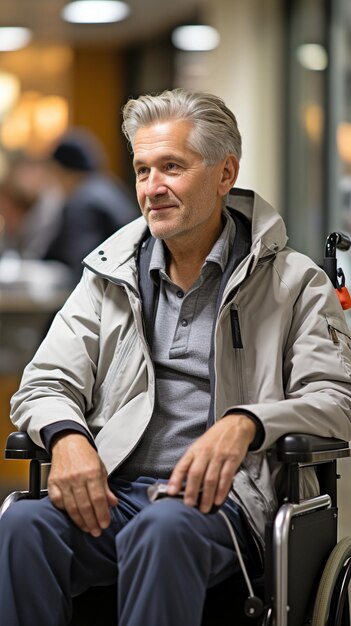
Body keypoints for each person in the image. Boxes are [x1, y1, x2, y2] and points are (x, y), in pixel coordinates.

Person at [0, 88, 351, 626]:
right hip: (114, 492)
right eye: (142, 171)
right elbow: (44, 383)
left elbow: (337, 399)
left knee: (161, 530)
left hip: (228, 502)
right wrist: (66, 436)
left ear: (225, 173)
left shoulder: (294, 283)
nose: (151, 188)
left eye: (171, 167)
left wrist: (248, 423)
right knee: (21, 527)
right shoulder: (109, 276)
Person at [42, 127, 139, 284]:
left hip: (109, 291)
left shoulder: (83, 203)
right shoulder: (108, 186)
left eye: (54, 173)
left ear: (64, 170)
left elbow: (83, 265)